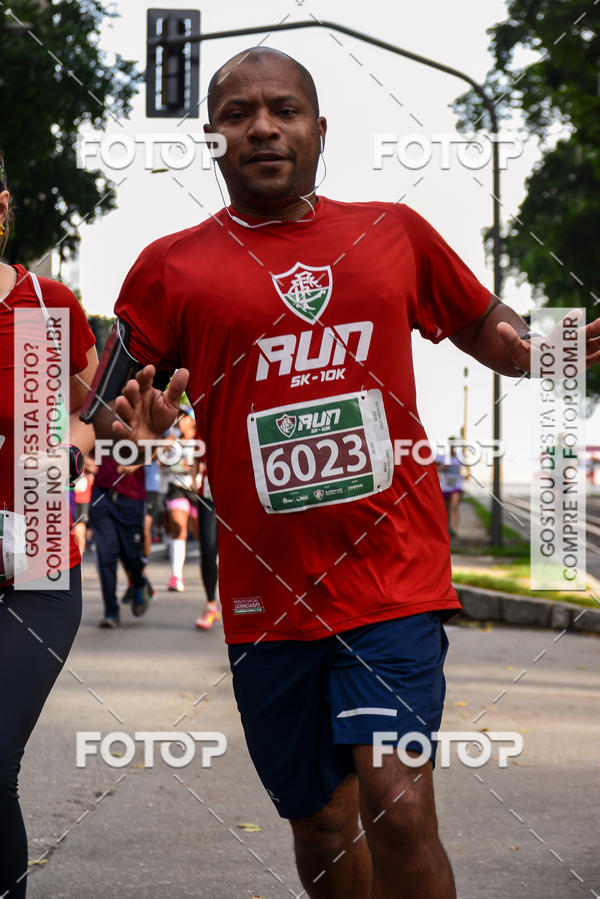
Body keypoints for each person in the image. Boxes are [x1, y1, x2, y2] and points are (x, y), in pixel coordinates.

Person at [85, 49, 600, 899]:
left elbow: (486, 323)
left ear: (319, 130)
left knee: (399, 805)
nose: (262, 127)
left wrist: (531, 349)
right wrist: (129, 426)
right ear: (211, 138)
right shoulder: (170, 266)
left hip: (391, 579)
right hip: (267, 595)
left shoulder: (392, 231)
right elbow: (109, 400)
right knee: (322, 822)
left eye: (283, 109)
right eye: (238, 113)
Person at [0, 152, 98, 898]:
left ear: (3, 206)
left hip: (32, 566)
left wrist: (72, 446)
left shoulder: (44, 304)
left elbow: (88, 416)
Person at [89, 454, 151, 626]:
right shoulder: (97, 425)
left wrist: (137, 463)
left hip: (131, 497)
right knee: (106, 554)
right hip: (102, 495)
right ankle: (111, 612)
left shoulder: (141, 425)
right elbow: (80, 439)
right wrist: (84, 458)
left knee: (131, 555)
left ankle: (140, 583)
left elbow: (165, 442)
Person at [164, 407, 197, 591]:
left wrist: (194, 469)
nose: (180, 422)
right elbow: (163, 462)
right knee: (179, 529)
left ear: (192, 421)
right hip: (176, 487)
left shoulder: (200, 440)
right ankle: (176, 576)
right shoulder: (173, 442)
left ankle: (214, 567)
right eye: (178, 418)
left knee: (203, 535)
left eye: (184, 418)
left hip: (198, 492)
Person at [193, 463, 220, 630]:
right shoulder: (202, 436)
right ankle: (211, 605)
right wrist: (194, 475)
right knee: (208, 550)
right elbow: (196, 453)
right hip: (209, 495)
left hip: (237, 491)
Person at [436, 438, 463, 538]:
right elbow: (434, 468)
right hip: (445, 485)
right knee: (446, 509)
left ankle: (453, 529)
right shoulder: (442, 457)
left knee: (454, 507)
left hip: (457, 485)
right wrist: (442, 468)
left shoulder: (460, 457)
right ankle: (447, 528)